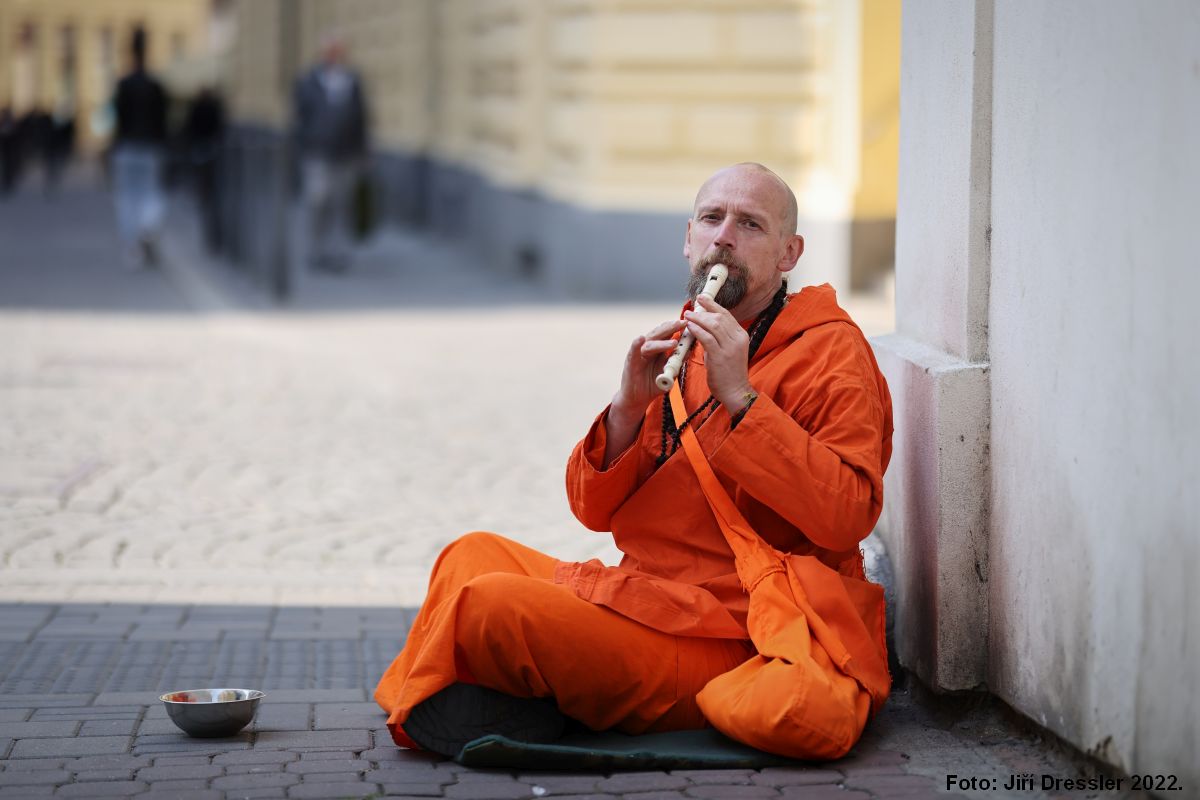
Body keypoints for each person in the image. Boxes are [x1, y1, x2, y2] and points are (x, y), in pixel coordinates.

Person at [374, 163, 893, 757]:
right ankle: (491, 700)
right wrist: (626, 407)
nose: (724, 236)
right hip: (654, 601)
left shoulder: (830, 348)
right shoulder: (687, 341)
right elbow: (593, 510)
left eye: (750, 224)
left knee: (489, 608)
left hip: (742, 631)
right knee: (469, 557)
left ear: (789, 253)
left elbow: (847, 516)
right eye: (711, 218)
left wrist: (742, 400)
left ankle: (486, 702)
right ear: (688, 238)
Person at [292, 35, 368, 273]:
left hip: (346, 153)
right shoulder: (309, 80)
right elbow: (299, 116)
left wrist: (364, 151)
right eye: (330, 51)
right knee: (317, 200)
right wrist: (302, 145)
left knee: (342, 204)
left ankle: (339, 252)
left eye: (338, 51)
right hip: (317, 152)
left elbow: (362, 118)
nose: (334, 55)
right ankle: (316, 250)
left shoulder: (352, 81)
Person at [110, 26, 168, 269]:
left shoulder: (124, 85)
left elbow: (118, 118)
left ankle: (133, 247)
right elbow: (163, 120)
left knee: (127, 198)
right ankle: (148, 225)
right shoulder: (156, 86)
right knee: (150, 193)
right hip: (150, 147)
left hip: (127, 146)